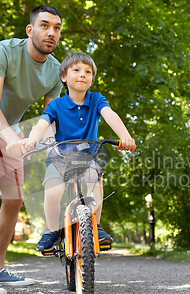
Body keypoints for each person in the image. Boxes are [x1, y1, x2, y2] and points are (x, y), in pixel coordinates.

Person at [0, 5, 63, 294]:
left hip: (12, 130)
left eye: (56, 28)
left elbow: (49, 118)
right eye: (45, 26)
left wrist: (54, 145)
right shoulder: (3, 51)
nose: (51, 33)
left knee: (14, 199)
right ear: (31, 30)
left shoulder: (56, 71)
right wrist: (9, 138)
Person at [23, 51, 136, 253]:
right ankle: (51, 229)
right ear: (64, 77)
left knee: (94, 177)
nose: (82, 74)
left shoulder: (96, 100)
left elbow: (110, 115)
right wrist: (32, 139)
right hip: (60, 159)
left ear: (92, 79)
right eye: (76, 70)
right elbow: (42, 124)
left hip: (87, 157)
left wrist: (125, 136)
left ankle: (95, 226)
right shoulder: (55, 105)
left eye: (88, 71)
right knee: (53, 190)